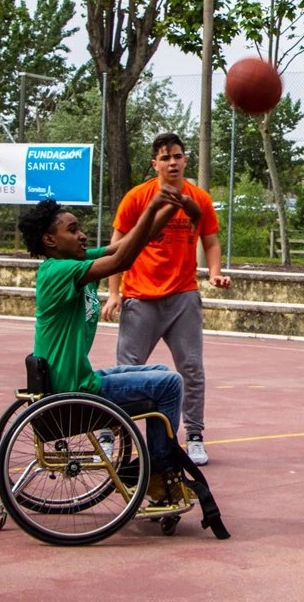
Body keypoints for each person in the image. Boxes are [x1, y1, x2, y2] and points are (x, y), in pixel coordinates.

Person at [18, 193, 188, 499]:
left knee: (161, 372)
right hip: (75, 391)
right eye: (72, 230)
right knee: (171, 384)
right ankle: (160, 473)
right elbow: (123, 260)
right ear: (50, 240)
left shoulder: (73, 261)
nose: (82, 234)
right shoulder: (59, 271)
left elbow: (122, 246)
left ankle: (156, 469)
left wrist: (170, 208)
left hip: (77, 381)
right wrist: (150, 206)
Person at [103, 133, 231, 466]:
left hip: (183, 295)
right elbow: (116, 247)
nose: (172, 162)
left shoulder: (198, 198)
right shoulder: (137, 197)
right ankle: (110, 432)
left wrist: (214, 272)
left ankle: (195, 436)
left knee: (191, 369)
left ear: (185, 159)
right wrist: (114, 293)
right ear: (154, 163)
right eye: (165, 157)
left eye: (177, 156)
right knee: (126, 371)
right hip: (140, 297)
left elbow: (211, 241)